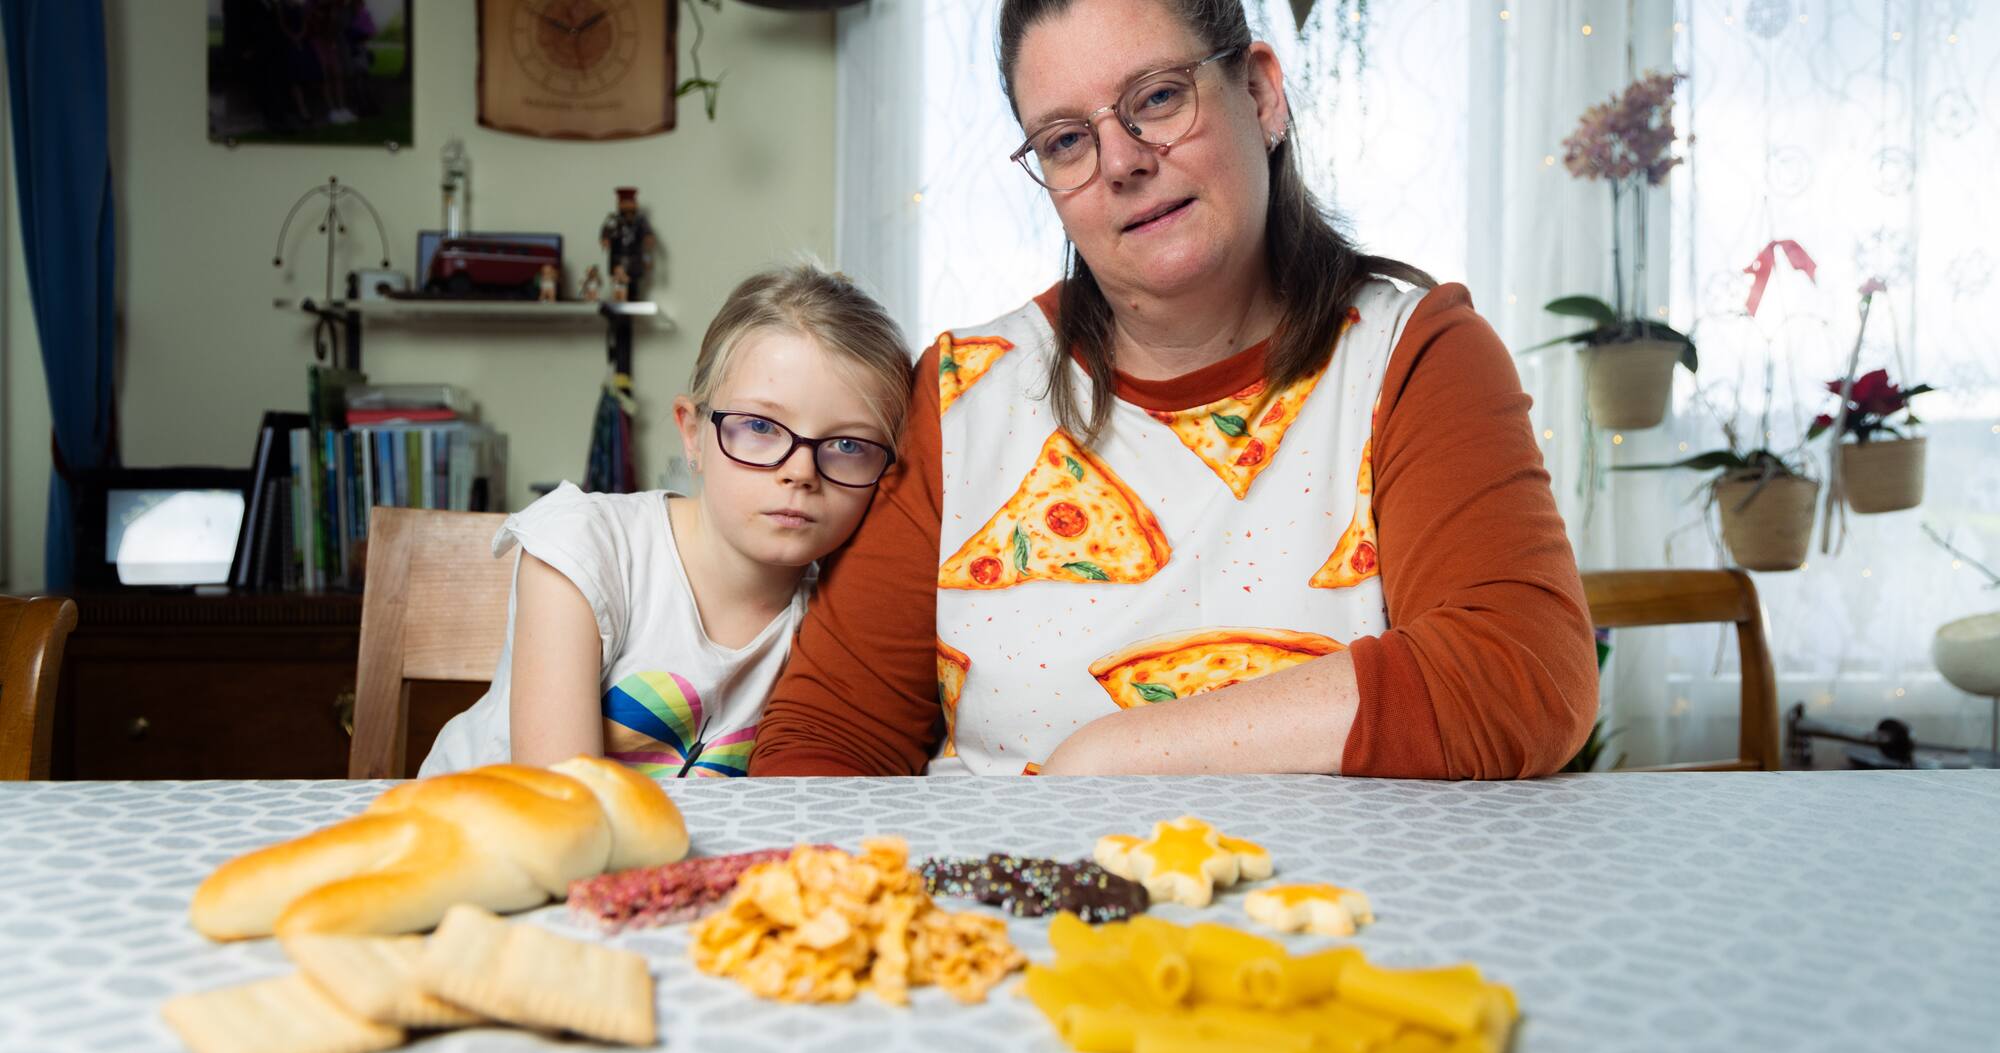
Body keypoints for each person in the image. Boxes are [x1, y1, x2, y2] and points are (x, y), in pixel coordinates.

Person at [752, 0, 1598, 780]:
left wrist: (1112, 755)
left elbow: (1521, 672)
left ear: (1263, 95)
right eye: (1065, 141)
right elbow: (827, 739)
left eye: (1156, 98)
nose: (1121, 161)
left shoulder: (1415, 356)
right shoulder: (961, 392)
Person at [422, 264, 913, 779]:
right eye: (761, 427)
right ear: (693, 433)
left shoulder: (846, 617)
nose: (800, 472)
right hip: (487, 841)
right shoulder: (587, 550)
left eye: (848, 445)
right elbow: (564, 806)